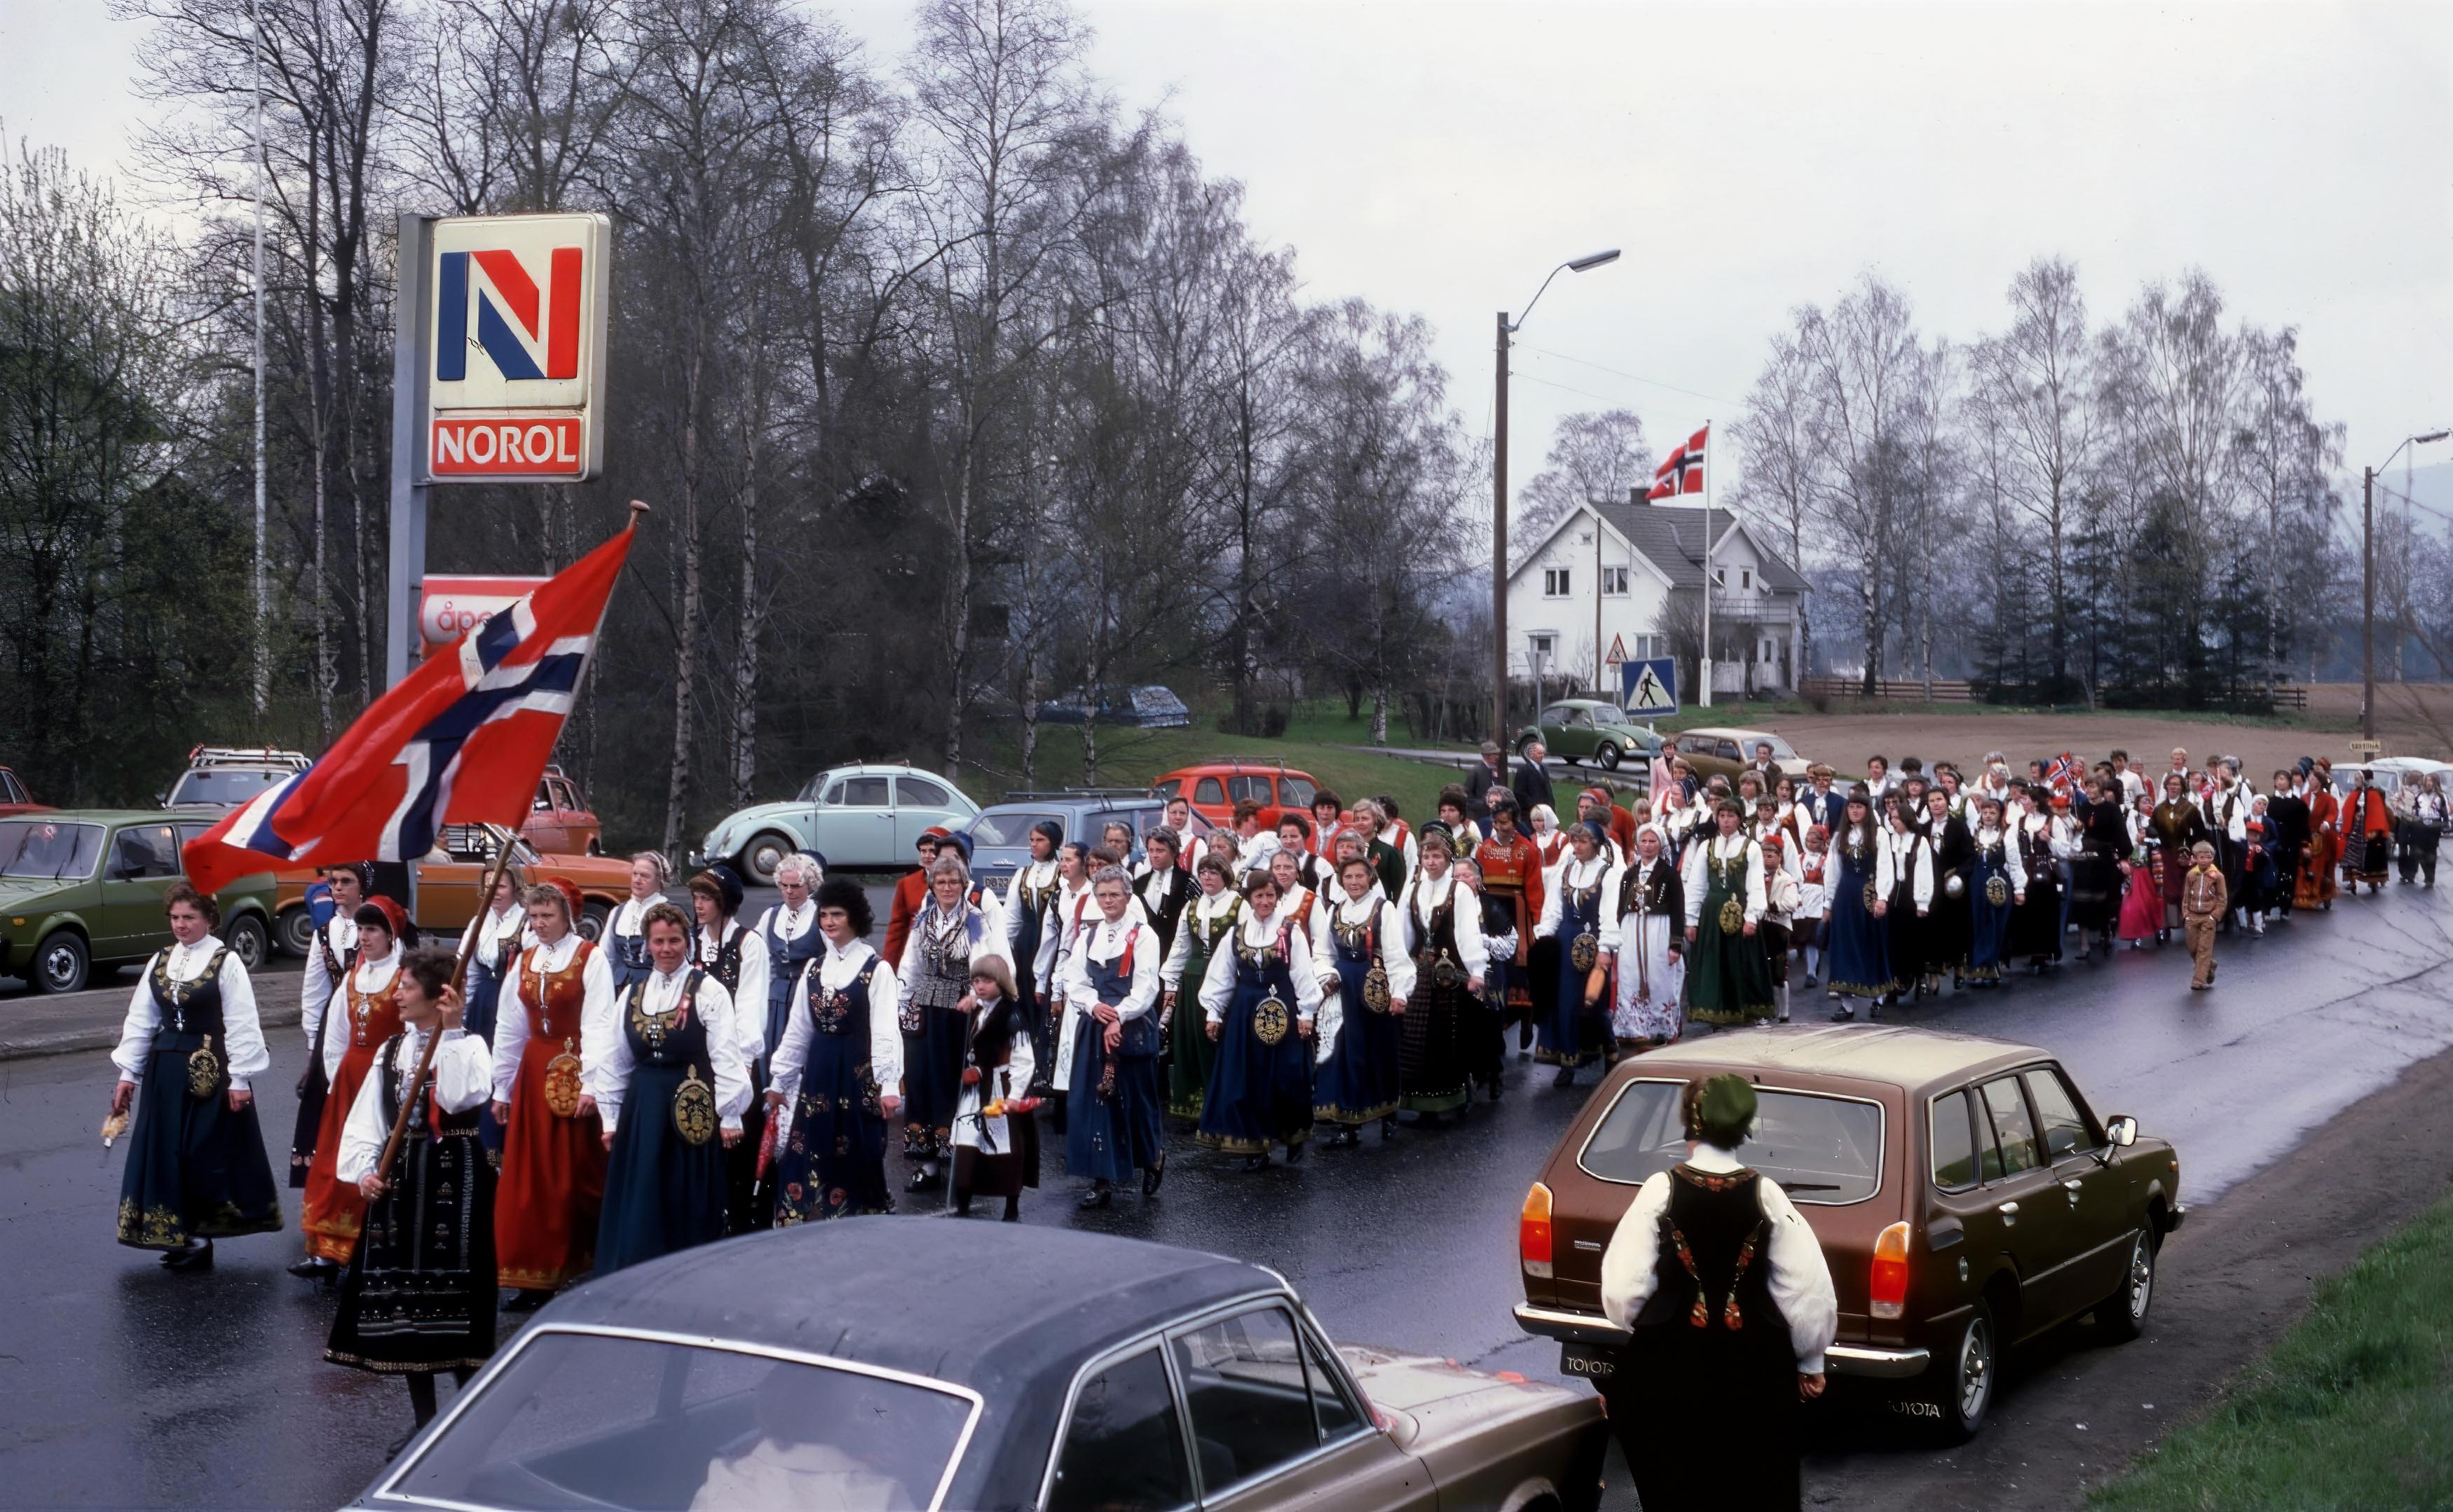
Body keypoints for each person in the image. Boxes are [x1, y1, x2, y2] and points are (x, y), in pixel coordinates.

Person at [1597, 1074, 1838, 1512]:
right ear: (1743, 1127)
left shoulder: (1660, 1191)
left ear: (1690, 1123)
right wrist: (1810, 1360)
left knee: (1677, 1490)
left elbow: (1622, 1294)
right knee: (1750, 1491)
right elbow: (1808, 1291)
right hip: (1753, 1378)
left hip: (1671, 1376)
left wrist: (1659, 1325)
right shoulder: (1767, 1195)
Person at [324, 946, 496, 1457]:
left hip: (454, 1184)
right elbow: (367, 1121)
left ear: (436, 994)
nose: (396, 993)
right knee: (405, 1303)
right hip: (402, 1184)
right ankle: (425, 1424)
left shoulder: (468, 1045)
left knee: (459, 1305)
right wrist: (365, 1174)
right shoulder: (391, 1051)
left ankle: (468, 1423)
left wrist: (454, 1031)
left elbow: (462, 1097)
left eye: (406, 986)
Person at [109, 884, 282, 1267]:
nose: (181, 925)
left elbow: (241, 1021)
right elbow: (141, 1019)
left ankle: (202, 1238)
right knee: (165, 1151)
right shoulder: (161, 958)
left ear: (209, 919)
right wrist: (128, 1074)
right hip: (165, 1069)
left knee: (200, 1152)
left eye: (189, 917)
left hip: (209, 1069)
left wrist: (240, 1079)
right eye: (175, 917)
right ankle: (179, 1233)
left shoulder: (226, 961)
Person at [591, 903, 749, 1274]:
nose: (666, 949)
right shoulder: (634, 991)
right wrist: (610, 1119)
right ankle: (637, 1272)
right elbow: (614, 1058)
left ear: (687, 942)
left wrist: (731, 1114)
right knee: (644, 1190)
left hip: (690, 1106)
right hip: (643, 1106)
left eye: (674, 940)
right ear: (648, 945)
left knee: (683, 1192)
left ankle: (687, 1273)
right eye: (659, 941)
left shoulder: (708, 990)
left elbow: (726, 1053)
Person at [490, 879, 613, 1305]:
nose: (540, 924)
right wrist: (501, 1088)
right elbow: (509, 1027)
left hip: (573, 1075)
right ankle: (533, 1271)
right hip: (533, 1073)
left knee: (573, 1176)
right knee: (532, 1176)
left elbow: (600, 1023)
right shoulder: (524, 961)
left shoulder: (590, 958)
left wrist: (592, 1084)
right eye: (535, 916)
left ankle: (580, 1261)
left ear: (567, 917)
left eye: (548, 916)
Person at [768, 879, 904, 1222]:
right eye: (824, 915)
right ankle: (807, 1220)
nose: (828, 922)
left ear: (854, 918)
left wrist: (889, 1086)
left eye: (837, 915)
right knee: (810, 1145)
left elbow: (886, 1030)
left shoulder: (877, 969)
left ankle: (857, 1222)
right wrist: (779, 1082)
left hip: (858, 1075)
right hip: (819, 1073)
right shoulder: (813, 968)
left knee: (859, 1149)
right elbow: (798, 1030)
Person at [296, 895, 409, 1281]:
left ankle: (369, 1248)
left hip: (387, 1078)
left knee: (376, 1159)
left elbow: (414, 1033)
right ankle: (326, 1252)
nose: (364, 937)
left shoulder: (402, 978)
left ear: (390, 935)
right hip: (350, 1077)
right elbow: (336, 1036)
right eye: (360, 929)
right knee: (335, 1159)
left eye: (372, 929)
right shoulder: (352, 978)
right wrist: (333, 1080)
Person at [1196, 871, 1332, 1170]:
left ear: (1277, 897)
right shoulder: (1236, 934)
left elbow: (1302, 974)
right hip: (1245, 1015)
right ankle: (1256, 1147)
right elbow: (1221, 977)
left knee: (1288, 1079)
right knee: (1249, 1080)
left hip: (1283, 1011)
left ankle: (1294, 1136)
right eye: (1259, 896)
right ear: (1250, 899)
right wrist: (1214, 1013)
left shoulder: (1290, 932)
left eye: (1270, 895)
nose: (1265, 901)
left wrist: (1307, 1014)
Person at [1055, 866, 1166, 1207]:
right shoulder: (1088, 936)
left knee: (1135, 1101)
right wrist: (1093, 1006)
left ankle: (1152, 1155)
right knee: (1093, 1102)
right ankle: (1101, 1180)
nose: (1108, 901)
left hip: (1131, 1026)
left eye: (1115, 894)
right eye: (1102, 895)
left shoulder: (1143, 935)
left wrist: (1120, 1015)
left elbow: (1147, 985)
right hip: (1095, 1025)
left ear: (1128, 897)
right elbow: (1074, 980)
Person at [896, 852, 1006, 1193]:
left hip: (958, 1012)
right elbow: (910, 965)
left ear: (963, 885)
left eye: (953, 882)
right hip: (924, 1011)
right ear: (932, 884)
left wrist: (977, 995)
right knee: (920, 1083)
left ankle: (959, 1164)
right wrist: (902, 1004)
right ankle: (927, 1166)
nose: (947, 887)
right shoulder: (923, 920)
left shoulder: (974, 919)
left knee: (953, 1086)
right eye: (940, 882)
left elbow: (985, 960)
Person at [686, 866, 771, 1232]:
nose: (698, 905)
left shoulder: (748, 944)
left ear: (725, 903)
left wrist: (742, 1072)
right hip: (694, 1058)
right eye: (696, 897)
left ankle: (738, 1222)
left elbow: (749, 1011)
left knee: (736, 1147)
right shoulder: (689, 939)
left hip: (735, 1058)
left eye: (706, 898)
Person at [1313, 854, 1417, 1143]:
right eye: (1348, 877)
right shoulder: (1334, 910)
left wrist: (1399, 993)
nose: (1354, 882)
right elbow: (1323, 952)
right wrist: (1326, 975)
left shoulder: (1385, 909)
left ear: (1370, 878)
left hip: (1374, 987)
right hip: (1343, 989)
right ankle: (1349, 1124)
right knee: (1344, 1053)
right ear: (1341, 880)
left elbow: (1397, 956)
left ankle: (1388, 1114)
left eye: (1360, 876)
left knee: (1379, 1051)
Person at [1398, 830, 1487, 1115]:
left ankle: (1451, 1099)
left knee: (1446, 1037)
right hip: (1420, 973)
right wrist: (1400, 971)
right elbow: (1403, 934)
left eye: (1437, 856)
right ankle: (1419, 1102)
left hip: (1450, 975)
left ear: (1448, 859)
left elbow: (1468, 933)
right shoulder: (1412, 889)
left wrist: (1477, 971)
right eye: (1426, 856)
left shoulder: (1458, 891)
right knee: (1416, 1038)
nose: (1431, 862)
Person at [292, 861, 367, 1190]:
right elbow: (314, 988)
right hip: (333, 1023)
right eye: (333, 882)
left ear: (361, 887)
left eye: (346, 882)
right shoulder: (325, 932)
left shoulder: (377, 925)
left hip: (369, 1018)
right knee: (324, 1097)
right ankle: (326, 1180)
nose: (337, 888)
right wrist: (313, 1045)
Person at [950, 956, 1037, 1221]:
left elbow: (1024, 1059)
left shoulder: (1012, 1016)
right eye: (976, 981)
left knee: (1004, 1146)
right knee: (966, 1142)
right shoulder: (979, 1011)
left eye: (987, 980)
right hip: (975, 1089)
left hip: (1000, 1088)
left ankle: (1012, 1206)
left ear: (1001, 982)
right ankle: (963, 1199)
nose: (980, 986)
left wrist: (1014, 1097)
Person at [1534, 822, 1621, 1085]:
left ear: (1596, 844)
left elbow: (1610, 914)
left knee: (1591, 1004)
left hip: (1592, 943)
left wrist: (1606, 949)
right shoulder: (1567, 868)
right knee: (1564, 1002)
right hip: (1564, 940)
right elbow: (1553, 907)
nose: (1577, 846)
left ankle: (1609, 1046)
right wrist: (1546, 938)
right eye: (1574, 841)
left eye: (1583, 841)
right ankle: (1568, 1061)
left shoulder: (1609, 874)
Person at [1159, 854, 1241, 1124]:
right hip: (1192, 980)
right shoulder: (1192, 907)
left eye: (1214, 872)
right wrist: (1171, 985)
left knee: (1218, 1045)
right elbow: (1180, 947)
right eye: (1203, 872)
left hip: (1226, 981)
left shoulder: (1239, 906)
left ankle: (1223, 1109)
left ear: (1225, 875)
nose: (1207, 877)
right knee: (1191, 1044)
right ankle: (1194, 1109)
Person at [457, 865, 530, 1154]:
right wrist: (462, 1017)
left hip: (512, 1002)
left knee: (508, 1066)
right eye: (488, 885)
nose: (493, 892)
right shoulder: (479, 922)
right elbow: (468, 972)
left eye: (500, 886)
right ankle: (483, 1142)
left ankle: (508, 1139)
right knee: (482, 1069)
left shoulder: (525, 922)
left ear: (515, 888)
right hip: (483, 1005)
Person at [1681, 802, 1774, 1027]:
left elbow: (1756, 885)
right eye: (1721, 815)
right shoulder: (1706, 847)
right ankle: (1716, 1010)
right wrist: (1691, 920)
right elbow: (1696, 885)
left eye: (1731, 816)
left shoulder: (1750, 847)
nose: (1726, 820)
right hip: (1712, 914)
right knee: (1715, 961)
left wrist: (1752, 917)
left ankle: (1750, 1009)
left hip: (1740, 912)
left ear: (1739, 818)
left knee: (1743, 962)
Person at [1472, 796, 1547, 1051]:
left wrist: (1536, 922)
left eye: (1504, 822)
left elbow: (1535, 888)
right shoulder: (1483, 849)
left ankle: (1524, 1018)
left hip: (1517, 911)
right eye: (1495, 822)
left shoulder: (1529, 850)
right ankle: (1498, 1018)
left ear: (1515, 822)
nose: (1499, 827)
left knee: (1518, 966)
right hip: (1492, 910)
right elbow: (1479, 882)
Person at [1002, 820, 1065, 1096]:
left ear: (1053, 843)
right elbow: (1012, 917)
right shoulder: (1023, 874)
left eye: (1040, 840)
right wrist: (1005, 952)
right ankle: (1029, 1069)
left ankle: (1051, 1070)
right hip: (1027, 945)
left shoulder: (1062, 873)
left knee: (1050, 1004)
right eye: (1031, 840)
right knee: (1026, 1005)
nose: (1034, 844)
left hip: (1054, 943)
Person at [1609, 826, 1684, 1048]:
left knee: (1659, 978)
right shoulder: (1629, 874)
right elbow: (1621, 908)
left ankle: (1664, 1027)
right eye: (1644, 841)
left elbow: (1678, 911)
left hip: (1658, 930)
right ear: (1637, 844)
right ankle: (1634, 1028)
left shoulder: (1670, 875)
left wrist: (1676, 945)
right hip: (1632, 930)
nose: (1648, 846)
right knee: (1631, 975)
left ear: (1660, 845)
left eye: (1652, 841)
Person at [1823, 792, 1894, 1020]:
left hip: (1868, 893)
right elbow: (1832, 871)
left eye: (1859, 807)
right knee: (1845, 946)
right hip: (1845, 895)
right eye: (1851, 807)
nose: (1855, 811)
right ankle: (1847, 1005)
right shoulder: (1840, 836)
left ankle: (1878, 998)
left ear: (1867, 809)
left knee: (1871, 943)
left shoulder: (1879, 834)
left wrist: (1882, 897)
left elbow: (1885, 866)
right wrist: (1828, 903)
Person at [1965, 797, 2024, 985]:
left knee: (1995, 923)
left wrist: (2019, 889)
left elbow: (2015, 864)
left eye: (1992, 812)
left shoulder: (2006, 835)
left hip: (1998, 883)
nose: (1988, 816)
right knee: (1977, 922)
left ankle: (1992, 963)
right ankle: (1977, 965)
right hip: (1976, 883)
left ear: (1999, 815)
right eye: (1985, 812)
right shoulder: (1974, 833)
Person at [2150, 774, 2208, 936]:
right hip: (2165, 853)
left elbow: (2200, 834)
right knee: (2166, 888)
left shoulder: (2191, 809)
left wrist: (2195, 854)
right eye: (2171, 784)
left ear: (2182, 787)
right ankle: (2167, 925)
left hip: (2184, 855)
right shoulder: (2159, 809)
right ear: (2166, 786)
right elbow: (2152, 831)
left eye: (2177, 784)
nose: (2173, 787)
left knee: (2186, 890)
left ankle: (2189, 924)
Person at [2009, 789, 2061, 973]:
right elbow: (2012, 844)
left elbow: (2064, 849)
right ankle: (2029, 949)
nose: (2023, 802)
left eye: (2026, 799)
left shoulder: (2052, 821)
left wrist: (2050, 841)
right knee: (2027, 910)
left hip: (2044, 872)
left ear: (2036, 802)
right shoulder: (2020, 821)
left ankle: (2044, 951)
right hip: (2025, 871)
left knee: (2045, 911)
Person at [606, 851, 671, 992]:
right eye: (635, 874)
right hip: (619, 988)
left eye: (645, 876)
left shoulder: (669, 913)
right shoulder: (618, 912)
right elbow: (606, 955)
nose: (637, 880)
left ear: (659, 880)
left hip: (655, 990)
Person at [882, 827, 948, 968]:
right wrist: (889, 964)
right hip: (914, 955)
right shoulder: (907, 884)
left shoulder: (957, 882)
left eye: (932, 851)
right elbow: (897, 927)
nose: (927, 856)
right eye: (923, 851)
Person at [1133, 827, 1194, 959]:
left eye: (1160, 850)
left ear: (1173, 851)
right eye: (1151, 850)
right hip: (1145, 952)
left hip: (1177, 953)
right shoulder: (1139, 883)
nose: (1154, 855)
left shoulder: (1188, 881)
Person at [2182, 841, 2227, 991]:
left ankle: (2198, 980)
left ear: (2212, 859)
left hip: (2208, 917)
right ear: (2195, 858)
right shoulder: (2191, 875)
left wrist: (2214, 916)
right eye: (2201, 857)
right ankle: (2210, 965)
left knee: (2204, 949)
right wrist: (2186, 914)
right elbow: (2186, 897)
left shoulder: (2217, 876)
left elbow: (2222, 899)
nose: (2204, 860)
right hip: (2192, 916)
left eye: (2208, 857)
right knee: (2193, 948)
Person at [2296, 760, 2339, 911]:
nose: (2310, 781)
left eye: (2313, 779)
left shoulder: (2329, 799)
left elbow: (2333, 814)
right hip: (2306, 837)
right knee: (2304, 865)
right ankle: (2304, 894)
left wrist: (2326, 824)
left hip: (2322, 838)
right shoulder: (2304, 799)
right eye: (2310, 779)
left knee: (2319, 867)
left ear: (2319, 783)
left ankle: (2322, 895)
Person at [2342, 769, 2393, 895]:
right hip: (2356, 830)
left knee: (2371, 855)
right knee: (2352, 855)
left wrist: (2374, 829)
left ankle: (2374, 880)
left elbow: (2377, 813)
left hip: (2369, 830)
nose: (2355, 782)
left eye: (2358, 780)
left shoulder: (2373, 794)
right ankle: (2352, 879)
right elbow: (2347, 809)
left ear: (2364, 780)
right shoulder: (2355, 793)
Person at [1793, 824, 1831, 989]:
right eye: (1809, 840)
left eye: (1815, 840)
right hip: (1801, 902)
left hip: (1818, 902)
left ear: (1823, 843)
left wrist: (1827, 905)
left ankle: (1811, 972)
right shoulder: (1800, 858)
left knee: (1813, 939)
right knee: (1799, 936)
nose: (1811, 843)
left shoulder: (1826, 861)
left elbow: (1829, 882)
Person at [2405, 773, 2446, 888]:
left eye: (2431, 781)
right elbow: (2415, 809)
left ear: (2435, 783)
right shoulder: (2420, 796)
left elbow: (2445, 812)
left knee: (2431, 853)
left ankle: (2430, 878)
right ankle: (2426, 874)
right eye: (2427, 781)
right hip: (2421, 826)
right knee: (2420, 852)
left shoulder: (2440, 796)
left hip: (2434, 826)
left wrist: (2444, 825)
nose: (2429, 783)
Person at [1513, 738, 1556, 819]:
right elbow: (1519, 793)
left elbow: (1548, 789)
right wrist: (1534, 805)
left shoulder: (1544, 768)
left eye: (1543, 753)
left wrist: (1551, 806)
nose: (1542, 755)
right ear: (1532, 754)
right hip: (1530, 813)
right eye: (1540, 753)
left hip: (1546, 811)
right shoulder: (1524, 770)